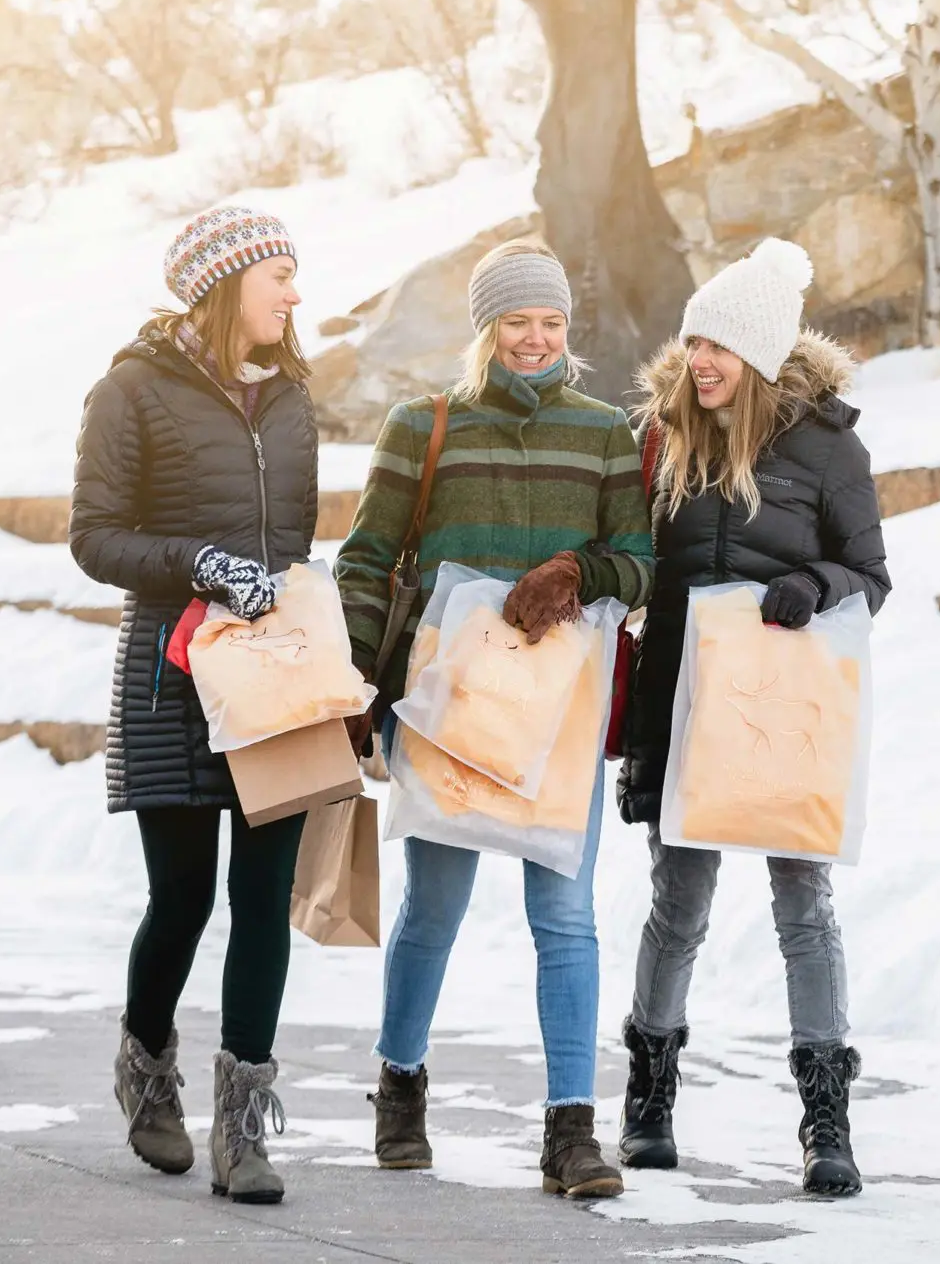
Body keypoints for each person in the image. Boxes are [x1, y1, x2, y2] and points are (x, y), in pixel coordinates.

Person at [333, 239, 654, 1200]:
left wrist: (578, 571)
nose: (536, 339)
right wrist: (355, 679)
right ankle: (399, 1088)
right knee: (434, 907)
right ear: (487, 328)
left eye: (551, 322)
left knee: (565, 916)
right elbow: (364, 559)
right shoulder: (423, 426)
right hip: (447, 708)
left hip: (558, 711)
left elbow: (642, 564)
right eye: (518, 321)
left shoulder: (604, 432)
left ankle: (571, 1131)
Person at [615, 238, 890, 1198]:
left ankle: (826, 1120)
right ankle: (648, 1103)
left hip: (784, 713)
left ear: (763, 354)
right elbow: (641, 574)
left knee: (803, 908)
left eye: (720, 346)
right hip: (684, 706)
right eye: (694, 342)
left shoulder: (828, 446)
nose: (700, 361)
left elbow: (871, 575)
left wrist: (815, 583)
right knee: (678, 907)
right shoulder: (664, 436)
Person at [71, 204, 325, 1204]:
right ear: (227, 285)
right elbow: (95, 537)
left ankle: (244, 1133)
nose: (295, 294)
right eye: (279, 277)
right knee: (181, 896)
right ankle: (147, 1074)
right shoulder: (130, 390)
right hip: (171, 675)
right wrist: (201, 564)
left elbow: (296, 543)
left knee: (263, 898)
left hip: (272, 676)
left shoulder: (294, 397)